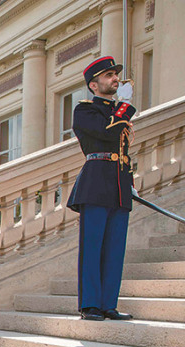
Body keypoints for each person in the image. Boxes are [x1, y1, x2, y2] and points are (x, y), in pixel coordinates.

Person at [67, 56, 137, 321]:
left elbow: (122, 149)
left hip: (119, 183)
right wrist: (126, 108)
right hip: (96, 181)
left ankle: (109, 304)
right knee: (93, 246)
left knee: (115, 249)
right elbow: (108, 131)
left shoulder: (116, 111)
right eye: (108, 76)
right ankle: (90, 305)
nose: (115, 79)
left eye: (115, 75)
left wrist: (130, 183)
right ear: (94, 85)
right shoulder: (85, 110)